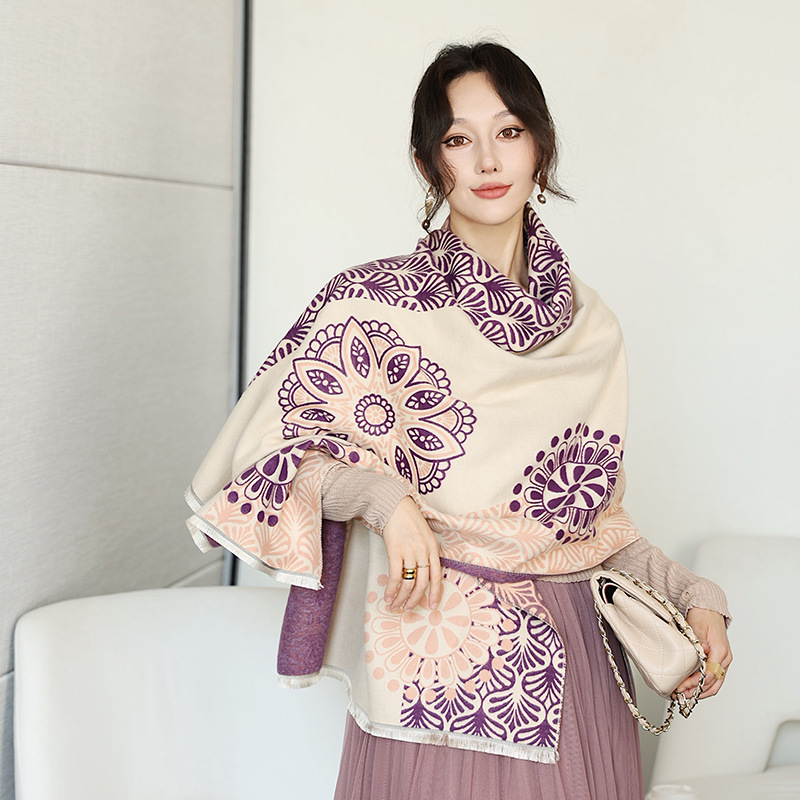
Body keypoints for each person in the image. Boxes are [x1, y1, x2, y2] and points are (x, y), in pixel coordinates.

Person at [185, 41, 732, 800]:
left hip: (578, 665)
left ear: (540, 147)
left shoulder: (591, 327)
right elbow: (262, 468)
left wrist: (694, 593)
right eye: (457, 138)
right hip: (433, 663)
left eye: (508, 131)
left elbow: (592, 530)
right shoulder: (369, 305)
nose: (487, 160)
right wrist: (388, 501)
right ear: (426, 161)